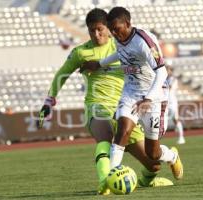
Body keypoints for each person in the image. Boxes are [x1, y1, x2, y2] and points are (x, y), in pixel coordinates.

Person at [37, 8, 173, 195]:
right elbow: (62, 74)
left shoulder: (121, 45)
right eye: (91, 30)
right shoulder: (80, 52)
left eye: (100, 29)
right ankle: (105, 181)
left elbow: (154, 66)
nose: (96, 34)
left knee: (154, 163)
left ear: (108, 28)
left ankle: (147, 180)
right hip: (97, 105)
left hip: (127, 105)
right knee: (106, 137)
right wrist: (49, 101)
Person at [82, 7, 183, 180]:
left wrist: (148, 99)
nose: (114, 33)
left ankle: (172, 156)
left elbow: (162, 72)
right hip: (130, 93)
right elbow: (120, 54)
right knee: (122, 131)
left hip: (154, 96)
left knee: (153, 153)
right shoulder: (119, 37)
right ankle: (111, 177)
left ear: (128, 24)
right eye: (111, 30)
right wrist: (100, 63)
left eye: (117, 29)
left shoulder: (144, 41)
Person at [166, 66, 185, 144]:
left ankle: (181, 137)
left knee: (176, 119)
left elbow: (169, 88)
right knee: (170, 119)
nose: (166, 71)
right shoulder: (165, 79)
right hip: (165, 101)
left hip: (172, 102)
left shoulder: (173, 79)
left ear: (171, 71)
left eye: (167, 70)